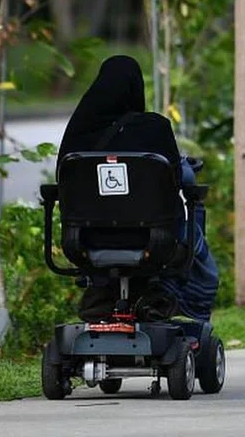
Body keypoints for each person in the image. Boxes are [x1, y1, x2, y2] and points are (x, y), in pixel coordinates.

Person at [57, 55, 219, 323]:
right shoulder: (153, 128)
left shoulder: (76, 133)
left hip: (84, 240)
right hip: (154, 240)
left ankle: (102, 291)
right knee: (198, 252)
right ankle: (169, 300)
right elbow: (178, 178)